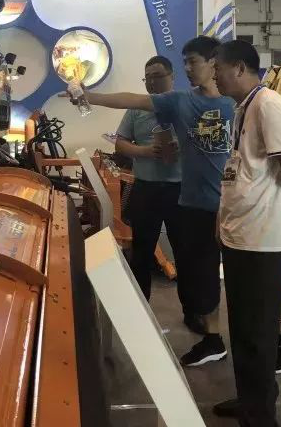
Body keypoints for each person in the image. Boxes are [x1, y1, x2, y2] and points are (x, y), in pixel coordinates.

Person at [67, 36, 235, 367]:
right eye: (185, 62)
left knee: (228, 270)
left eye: (193, 62)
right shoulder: (179, 102)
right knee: (177, 261)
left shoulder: (238, 104)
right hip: (183, 198)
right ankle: (209, 335)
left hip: (222, 201)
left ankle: (267, 336)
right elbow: (131, 104)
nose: (188, 69)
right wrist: (90, 96)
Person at [211, 40, 281, 426]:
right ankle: (251, 398)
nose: (214, 76)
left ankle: (261, 415)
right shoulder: (243, 107)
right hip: (241, 234)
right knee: (244, 329)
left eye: (217, 68)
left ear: (238, 67)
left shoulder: (268, 105)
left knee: (258, 333)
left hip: (262, 239)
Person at [115, 56, 181, 301]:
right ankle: (140, 306)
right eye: (148, 78)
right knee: (141, 251)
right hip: (146, 189)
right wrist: (144, 151)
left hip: (180, 190)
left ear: (172, 77)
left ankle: (193, 311)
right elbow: (120, 142)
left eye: (157, 76)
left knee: (185, 251)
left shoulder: (186, 105)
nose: (152, 82)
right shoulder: (136, 109)